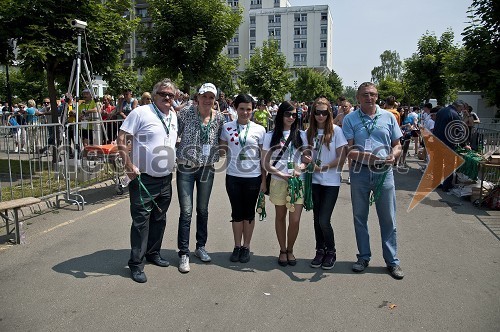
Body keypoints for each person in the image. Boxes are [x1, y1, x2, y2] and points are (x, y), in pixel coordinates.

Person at [116, 78, 179, 283]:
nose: (167, 97)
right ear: (154, 95)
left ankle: (153, 253)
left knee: (159, 219)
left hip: (165, 178)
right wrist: (128, 165)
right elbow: (122, 138)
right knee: (141, 222)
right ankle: (136, 263)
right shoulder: (140, 112)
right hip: (144, 178)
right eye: (163, 94)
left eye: (171, 94)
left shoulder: (173, 116)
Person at [342, 82, 404, 279]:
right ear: (358, 98)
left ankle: (392, 261)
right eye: (365, 94)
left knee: (388, 218)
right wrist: (367, 157)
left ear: (377, 97)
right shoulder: (350, 119)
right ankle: (363, 257)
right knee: (360, 217)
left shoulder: (388, 117)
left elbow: (398, 145)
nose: (369, 97)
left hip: (384, 173)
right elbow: (349, 150)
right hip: (360, 172)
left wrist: (393, 155)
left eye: (373, 94)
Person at [176, 83, 225, 273]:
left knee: (203, 210)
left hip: (207, 169)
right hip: (186, 168)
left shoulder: (219, 118)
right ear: (197, 97)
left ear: (215, 100)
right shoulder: (186, 113)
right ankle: (183, 253)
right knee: (186, 211)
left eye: (211, 97)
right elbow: (172, 132)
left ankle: (200, 247)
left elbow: (224, 139)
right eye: (204, 96)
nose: (207, 100)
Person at [219, 94, 266, 263]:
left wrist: (264, 180)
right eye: (242, 109)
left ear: (252, 110)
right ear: (236, 109)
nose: (245, 112)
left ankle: (246, 246)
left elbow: (263, 157)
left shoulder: (259, 130)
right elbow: (222, 150)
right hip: (233, 176)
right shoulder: (227, 127)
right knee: (237, 213)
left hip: (253, 177)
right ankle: (237, 246)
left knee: (249, 213)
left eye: (248, 109)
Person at [262, 101, 308, 267]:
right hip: (278, 181)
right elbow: (266, 164)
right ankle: (282, 250)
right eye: (288, 114)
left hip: (297, 182)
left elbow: (306, 160)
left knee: (295, 219)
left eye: (294, 115)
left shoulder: (301, 135)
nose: (291, 117)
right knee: (280, 217)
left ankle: (290, 249)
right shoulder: (270, 135)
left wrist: (300, 168)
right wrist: (282, 174)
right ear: (280, 115)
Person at [305, 97, 347, 270]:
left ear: (329, 113)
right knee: (316, 219)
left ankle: (331, 251)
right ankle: (319, 250)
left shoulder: (336, 131)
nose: (320, 116)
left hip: (331, 182)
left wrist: (322, 167)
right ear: (313, 113)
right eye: (317, 112)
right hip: (314, 181)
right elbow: (305, 154)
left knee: (324, 219)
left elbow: (342, 157)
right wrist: (307, 161)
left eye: (324, 112)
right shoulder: (309, 132)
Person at [433, 100, 465, 192]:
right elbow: (459, 130)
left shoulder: (441, 111)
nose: (461, 110)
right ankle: (446, 186)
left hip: (437, 139)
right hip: (448, 142)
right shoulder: (454, 114)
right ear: (458, 107)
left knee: (437, 163)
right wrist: (464, 144)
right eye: (461, 108)